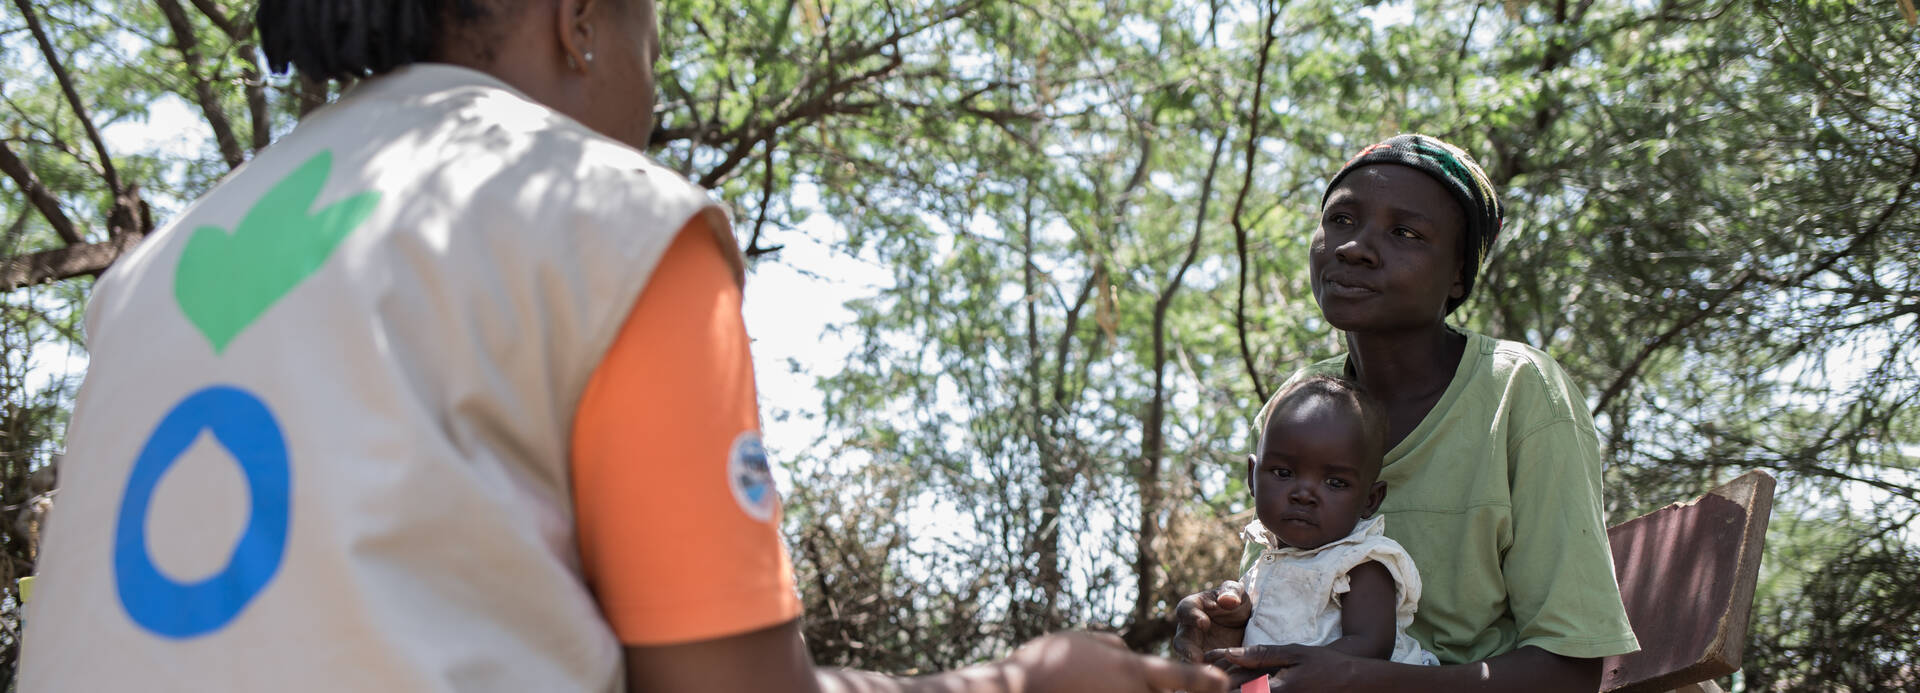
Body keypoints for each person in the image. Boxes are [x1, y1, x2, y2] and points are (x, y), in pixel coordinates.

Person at [18, 1, 1227, 692]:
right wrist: (1022, 689)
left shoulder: (153, 272)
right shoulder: (605, 218)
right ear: (582, 20)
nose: (652, 76)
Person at [1173, 134, 1639, 691]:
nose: (1355, 247)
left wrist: (1369, 679)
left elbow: (1571, 670)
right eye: (1341, 219)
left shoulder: (1519, 391)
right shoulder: (1302, 400)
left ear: (1458, 278)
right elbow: (1288, 591)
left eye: (1406, 233)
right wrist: (1232, 621)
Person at [1221, 375, 1437, 689]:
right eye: (1284, 473)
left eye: (1335, 483)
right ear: (1253, 477)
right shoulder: (1266, 564)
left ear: (1370, 500)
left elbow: (1372, 644)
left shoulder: (1360, 561)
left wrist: (1281, 667)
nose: (1304, 494)